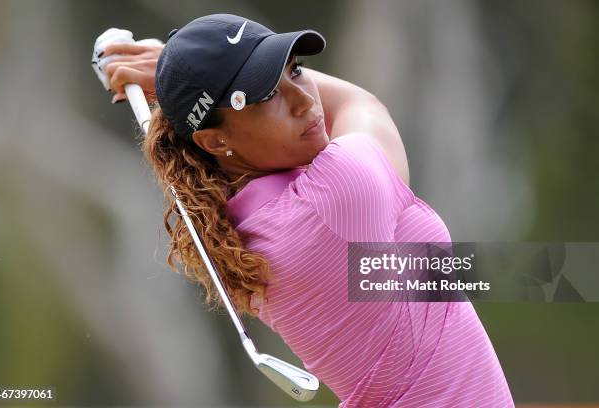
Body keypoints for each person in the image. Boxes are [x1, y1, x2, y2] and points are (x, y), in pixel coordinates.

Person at [101, 13, 514, 407]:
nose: (303, 101)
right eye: (266, 94)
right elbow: (360, 103)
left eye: (294, 69)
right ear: (212, 141)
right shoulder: (337, 195)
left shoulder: (236, 216)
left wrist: (182, 84)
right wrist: (169, 76)